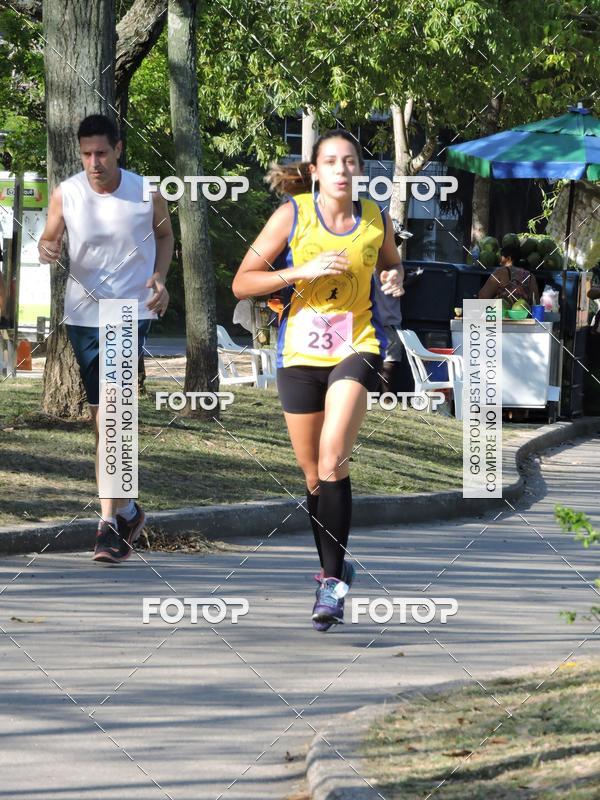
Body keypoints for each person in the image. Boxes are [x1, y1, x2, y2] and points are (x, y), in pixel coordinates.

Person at [232, 130, 403, 631]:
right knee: (313, 476)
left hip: (357, 346)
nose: (342, 170)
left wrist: (394, 276)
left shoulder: (375, 218)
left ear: (360, 170)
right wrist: (298, 271)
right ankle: (336, 564)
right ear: (314, 171)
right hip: (299, 354)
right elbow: (242, 282)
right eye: (331, 162)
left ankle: (331, 584)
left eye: (350, 161)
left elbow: (391, 264)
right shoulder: (293, 215)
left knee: (333, 458)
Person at [38, 114, 174, 563]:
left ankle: (108, 525)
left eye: (101, 153)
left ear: (118, 149)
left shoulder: (145, 191)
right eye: (86, 154)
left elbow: (165, 235)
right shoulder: (67, 192)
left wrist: (159, 278)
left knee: (115, 416)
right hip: (83, 314)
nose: (94, 162)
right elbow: (49, 240)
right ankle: (129, 511)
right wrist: (47, 249)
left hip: (128, 311)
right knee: (104, 422)